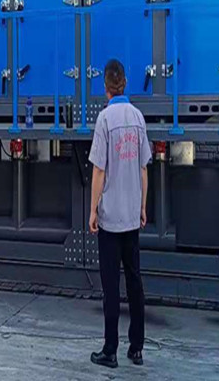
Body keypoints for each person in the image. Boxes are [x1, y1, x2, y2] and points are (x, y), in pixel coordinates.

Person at [88, 59, 151, 369]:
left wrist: (92, 210)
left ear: (106, 87)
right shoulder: (138, 118)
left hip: (111, 217)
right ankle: (136, 348)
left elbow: (99, 170)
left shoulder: (104, 119)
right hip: (130, 217)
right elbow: (143, 169)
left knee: (111, 286)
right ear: (124, 82)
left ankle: (110, 350)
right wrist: (142, 207)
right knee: (134, 282)